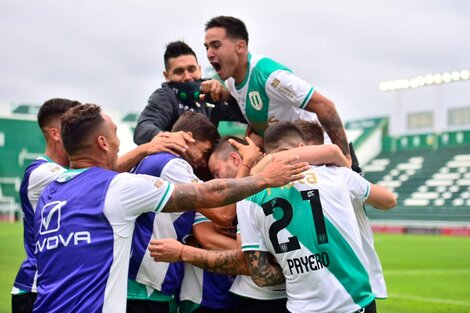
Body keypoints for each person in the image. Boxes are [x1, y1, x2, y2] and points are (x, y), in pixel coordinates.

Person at [32, 103, 308, 313]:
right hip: (142, 289)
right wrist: (262, 178)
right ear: (102, 142)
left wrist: (143, 150)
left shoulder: (52, 191)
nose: (119, 143)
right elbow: (215, 201)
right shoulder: (136, 178)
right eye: (115, 134)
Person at [10, 98, 201, 313]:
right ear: (56, 134)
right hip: (35, 284)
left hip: (59, 284)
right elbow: (93, 177)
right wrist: (147, 149)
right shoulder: (42, 174)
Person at [237, 122, 396, 313]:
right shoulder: (337, 174)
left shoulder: (248, 199)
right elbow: (389, 201)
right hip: (353, 303)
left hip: (301, 307)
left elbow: (261, 275)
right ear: (303, 148)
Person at [203, 16, 351, 163]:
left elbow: (325, 106)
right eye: (207, 47)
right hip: (291, 160)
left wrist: (346, 159)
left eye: (216, 46)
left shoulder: (270, 77)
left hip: (322, 159)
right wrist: (225, 95)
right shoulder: (230, 81)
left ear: (240, 47)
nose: (209, 53)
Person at [127, 111, 232, 313]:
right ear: (189, 137)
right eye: (205, 151)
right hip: (146, 284)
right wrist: (249, 168)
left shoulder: (149, 160)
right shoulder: (172, 165)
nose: (203, 161)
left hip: (142, 279)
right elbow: (223, 215)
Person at [134, 40, 247, 146]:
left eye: (191, 69)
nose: (187, 77)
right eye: (179, 72)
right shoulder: (164, 97)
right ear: (166, 76)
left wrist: (227, 97)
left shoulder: (211, 91)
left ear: (199, 69)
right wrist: (173, 138)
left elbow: (247, 116)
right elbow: (142, 130)